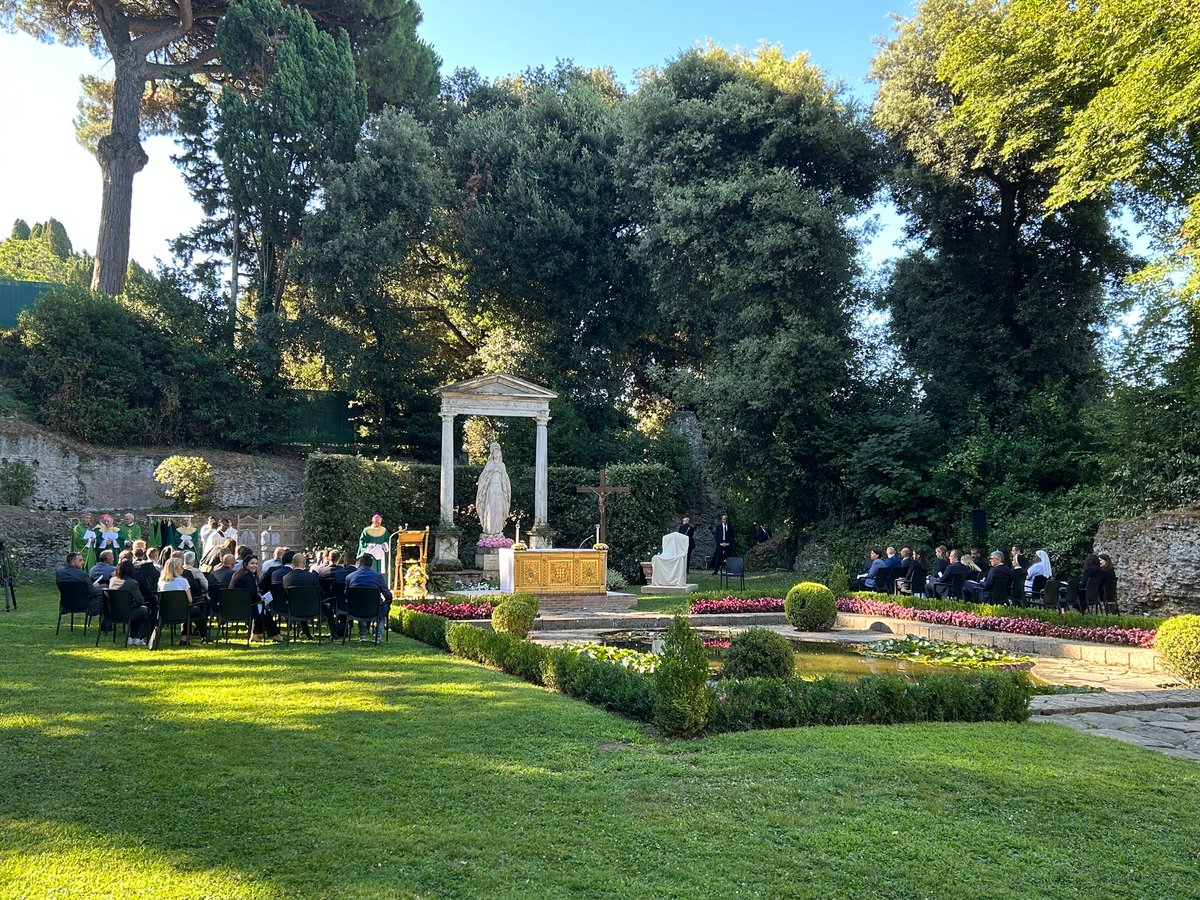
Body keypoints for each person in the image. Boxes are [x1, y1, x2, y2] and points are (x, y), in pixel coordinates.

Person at [230, 555, 285, 642]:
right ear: (245, 564)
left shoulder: (238, 574)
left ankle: (257, 634)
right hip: (244, 608)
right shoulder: (247, 576)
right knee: (264, 610)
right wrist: (261, 598)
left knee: (262, 609)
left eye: (256, 563)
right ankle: (274, 634)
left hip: (235, 606)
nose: (254, 565)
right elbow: (251, 593)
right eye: (252, 563)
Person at [345, 552, 393, 643]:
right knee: (383, 608)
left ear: (359, 564)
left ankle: (363, 635)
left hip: (355, 609)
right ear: (370, 565)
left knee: (360, 602)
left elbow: (346, 594)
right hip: (374, 608)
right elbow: (387, 595)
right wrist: (387, 603)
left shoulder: (349, 577)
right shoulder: (378, 577)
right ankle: (377, 635)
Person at [158, 555, 206, 643]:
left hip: (166, 611)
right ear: (176, 568)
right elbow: (190, 600)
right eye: (181, 566)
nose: (183, 568)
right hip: (182, 611)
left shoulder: (161, 582)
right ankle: (202, 635)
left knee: (186, 609)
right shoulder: (183, 581)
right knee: (196, 610)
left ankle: (185, 638)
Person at [107, 555, 153, 646]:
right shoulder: (132, 583)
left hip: (112, 612)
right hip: (127, 612)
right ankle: (138, 637)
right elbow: (140, 600)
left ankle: (132, 637)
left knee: (139, 612)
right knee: (145, 610)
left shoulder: (112, 580)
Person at [475, 442, 512, 538]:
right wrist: (492, 471)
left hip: (499, 489)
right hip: (491, 489)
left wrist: (499, 472)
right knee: (490, 509)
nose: (497, 455)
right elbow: (483, 478)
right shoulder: (489, 464)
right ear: (492, 454)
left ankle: (498, 531)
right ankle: (489, 531)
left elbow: (506, 479)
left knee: (498, 509)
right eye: (495, 453)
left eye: (498, 452)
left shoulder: (502, 465)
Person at [282, 553, 319, 639]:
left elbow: (285, 595)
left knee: (300, 603)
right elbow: (319, 593)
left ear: (292, 563)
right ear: (304, 563)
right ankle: (334, 633)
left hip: (293, 609)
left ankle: (306, 633)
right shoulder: (311, 576)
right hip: (312, 608)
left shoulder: (286, 578)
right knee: (327, 608)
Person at [57, 551, 102, 617]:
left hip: (66, 604)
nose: (83, 563)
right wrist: (100, 588)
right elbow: (92, 592)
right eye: (80, 560)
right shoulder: (83, 574)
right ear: (72, 562)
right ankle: (106, 623)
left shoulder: (59, 573)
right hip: (83, 604)